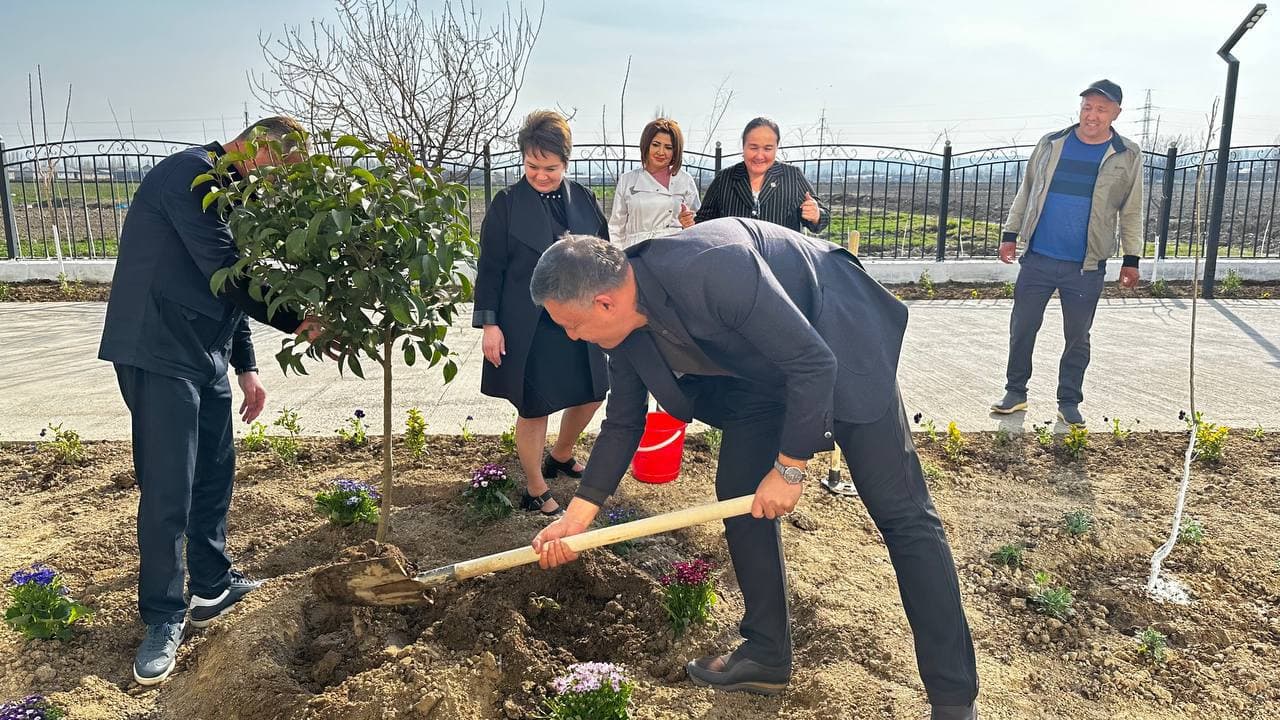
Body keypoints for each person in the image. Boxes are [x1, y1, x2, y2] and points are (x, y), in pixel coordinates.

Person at [526, 219, 979, 720]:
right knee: (739, 496)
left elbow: (812, 363)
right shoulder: (623, 327)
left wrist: (789, 469)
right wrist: (579, 515)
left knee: (903, 515)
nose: (571, 336)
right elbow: (624, 421)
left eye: (571, 324)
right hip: (760, 371)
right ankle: (766, 653)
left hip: (836, 340)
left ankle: (952, 697)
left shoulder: (715, 267)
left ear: (604, 302)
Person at [98, 117, 327, 686]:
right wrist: (299, 317)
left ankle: (210, 587)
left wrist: (247, 368)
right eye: (280, 168)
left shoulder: (232, 194)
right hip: (158, 348)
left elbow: (228, 283)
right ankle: (162, 616)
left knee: (214, 475)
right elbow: (229, 275)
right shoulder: (188, 179)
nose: (278, 183)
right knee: (168, 489)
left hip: (206, 354)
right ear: (259, 146)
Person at [472, 110, 609, 517]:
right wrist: (490, 324)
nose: (541, 174)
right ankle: (534, 487)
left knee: (593, 393)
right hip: (528, 324)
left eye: (550, 167)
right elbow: (490, 267)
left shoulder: (583, 199)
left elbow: (603, 253)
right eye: (532, 166)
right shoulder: (507, 205)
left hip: (580, 321)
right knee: (534, 406)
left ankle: (561, 454)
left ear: (565, 163)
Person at [991, 80, 1142, 427]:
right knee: (1023, 327)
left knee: (1077, 335)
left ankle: (1069, 400)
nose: (1092, 115)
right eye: (1087, 107)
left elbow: (1131, 210)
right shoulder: (1052, 143)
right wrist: (1010, 234)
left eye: (1101, 109)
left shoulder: (1127, 154)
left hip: (1086, 266)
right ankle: (1015, 392)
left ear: (1116, 113)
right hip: (1039, 258)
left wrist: (1131, 258)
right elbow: (1027, 190)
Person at [694, 117, 829, 234]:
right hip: (735, 260)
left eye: (767, 148)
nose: (759, 156)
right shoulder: (724, 179)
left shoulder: (793, 176)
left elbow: (823, 217)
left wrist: (816, 215)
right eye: (753, 147)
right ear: (743, 147)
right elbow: (703, 221)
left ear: (776, 148)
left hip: (781, 260)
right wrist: (690, 223)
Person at [608, 118, 701, 248]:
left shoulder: (684, 180)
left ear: (676, 152)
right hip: (636, 251)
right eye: (656, 144)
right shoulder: (627, 180)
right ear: (646, 145)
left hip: (674, 250)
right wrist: (619, 259)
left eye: (668, 147)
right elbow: (616, 227)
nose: (661, 152)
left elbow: (698, 223)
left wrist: (688, 223)